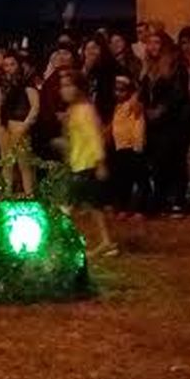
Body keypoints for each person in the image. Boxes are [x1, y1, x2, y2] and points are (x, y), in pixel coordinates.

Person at [57, 74, 116, 257]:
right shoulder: (74, 110)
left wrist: (100, 162)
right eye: (62, 86)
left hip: (87, 164)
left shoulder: (85, 110)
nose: (64, 90)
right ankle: (106, 242)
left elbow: (94, 137)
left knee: (67, 206)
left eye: (68, 85)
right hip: (79, 163)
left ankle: (61, 243)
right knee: (93, 206)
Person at [140, 31, 189, 215]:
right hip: (153, 123)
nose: (153, 47)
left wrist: (162, 109)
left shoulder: (175, 66)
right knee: (158, 161)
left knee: (175, 160)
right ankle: (161, 198)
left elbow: (179, 93)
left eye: (157, 42)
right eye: (149, 43)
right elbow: (144, 93)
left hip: (173, 122)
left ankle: (178, 200)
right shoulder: (147, 68)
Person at [0, 50, 40, 197]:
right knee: (6, 161)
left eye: (12, 64)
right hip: (4, 124)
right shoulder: (2, 83)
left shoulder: (26, 81)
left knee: (23, 162)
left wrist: (25, 125)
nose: (9, 68)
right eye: (6, 65)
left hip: (19, 123)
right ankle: (6, 193)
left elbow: (35, 106)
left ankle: (29, 194)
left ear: (18, 65)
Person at [108, 75, 149, 217]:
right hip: (121, 148)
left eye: (122, 90)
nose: (118, 93)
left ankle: (140, 209)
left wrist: (138, 144)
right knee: (124, 180)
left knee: (140, 179)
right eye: (116, 90)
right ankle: (124, 208)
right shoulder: (117, 108)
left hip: (134, 147)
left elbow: (139, 124)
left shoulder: (134, 105)